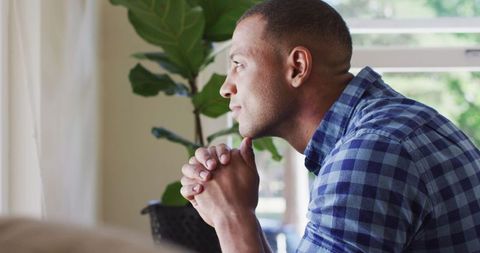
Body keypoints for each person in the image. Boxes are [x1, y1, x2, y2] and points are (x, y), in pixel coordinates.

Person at [180, 0, 480, 252]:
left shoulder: (370, 154)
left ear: (297, 66)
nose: (226, 87)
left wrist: (232, 218)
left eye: (238, 64)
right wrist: (237, 211)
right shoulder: (390, 128)